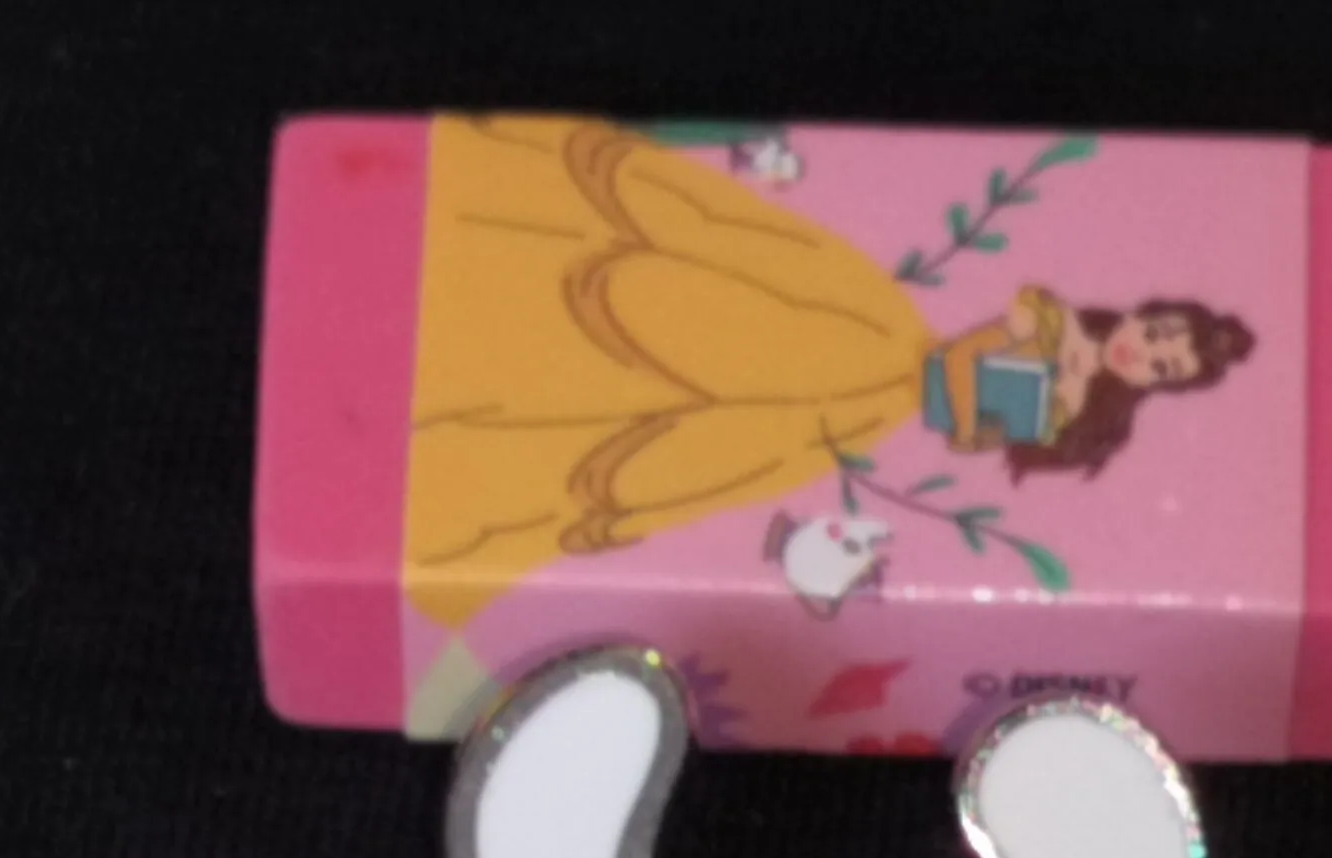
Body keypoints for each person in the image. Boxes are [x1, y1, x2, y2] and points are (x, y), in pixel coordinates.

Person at [404, 117, 1255, 622]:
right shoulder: (1049, 313)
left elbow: (968, 435)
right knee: (714, 294)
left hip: (865, 407)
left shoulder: (1068, 412)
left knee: (697, 421)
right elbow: (965, 357)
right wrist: (982, 388)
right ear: (1144, 313)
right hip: (865, 334)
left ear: (1153, 387)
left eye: (1162, 366)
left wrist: (979, 407)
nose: (1144, 351)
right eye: (1159, 333)